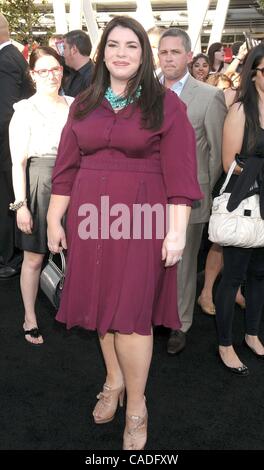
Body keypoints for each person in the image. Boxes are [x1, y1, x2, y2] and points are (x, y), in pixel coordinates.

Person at [47, 16, 202, 450]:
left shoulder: (166, 104)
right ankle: (112, 381)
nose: (121, 52)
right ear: (102, 52)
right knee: (101, 306)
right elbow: (65, 170)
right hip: (90, 219)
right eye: (113, 44)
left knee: (131, 315)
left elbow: (181, 175)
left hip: (142, 221)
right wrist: (54, 219)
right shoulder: (83, 102)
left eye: (131, 45)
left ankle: (136, 405)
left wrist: (176, 234)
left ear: (143, 53)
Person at [158, 28, 227, 355]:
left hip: (190, 196)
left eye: (175, 52)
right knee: (152, 259)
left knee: (184, 265)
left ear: (188, 56)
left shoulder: (208, 96)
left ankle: (179, 324)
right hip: (148, 197)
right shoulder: (145, 92)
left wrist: (200, 187)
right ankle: (155, 314)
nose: (168, 58)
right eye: (163, 52)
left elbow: (216, 152)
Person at [9, 46, 74, 345]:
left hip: (75, 185)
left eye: (56, 68)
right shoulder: (24, 110)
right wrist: (21, 205)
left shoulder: (75, 105)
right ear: (32, 75)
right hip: (39, 185)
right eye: (43, 70)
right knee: (34, 258)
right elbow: (17, 163)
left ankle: (73, 309)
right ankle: (30, 318)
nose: (51, 75)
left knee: (74, 254)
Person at [215, 43, 264, 376]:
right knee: (233, 276)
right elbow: (229, 162)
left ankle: (252, 333)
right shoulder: (240, 110)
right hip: (244, 202)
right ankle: (224, 342)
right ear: (254, 73)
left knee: (260, 274)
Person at [0, 13, 34, 280]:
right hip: (9, 145)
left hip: (6, 147)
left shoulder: (6, 60)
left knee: (6, 203)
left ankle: (9, 257)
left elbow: (6, 110)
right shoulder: (12, 56)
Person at [62, 29, 94, 97]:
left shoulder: (93, 78)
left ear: (73, 49)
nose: (63, 53)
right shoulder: (74, 73)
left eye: (64, 48)